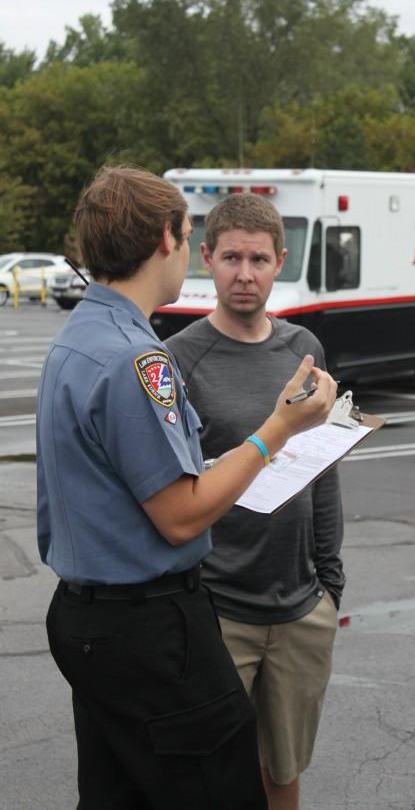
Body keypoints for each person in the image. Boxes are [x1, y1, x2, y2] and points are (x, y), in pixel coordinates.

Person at [36, 166, 337, 810]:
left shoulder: (79, 337)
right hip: (148, 627)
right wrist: (277, 427)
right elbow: (181, 515)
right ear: (168, 242)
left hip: (87, 615)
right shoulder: (138, 359)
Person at [167, 193, 345, 810]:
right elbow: (172, 493)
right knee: (215, 780)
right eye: (232, 258)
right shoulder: (178, 360)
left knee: (284, 775)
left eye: (260, 259)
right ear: (205, 260)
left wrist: (330, 582)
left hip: (300, 608)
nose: (246, 274)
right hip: (218, 611)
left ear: (281, 262)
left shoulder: (305, 351)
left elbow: (322, 473)